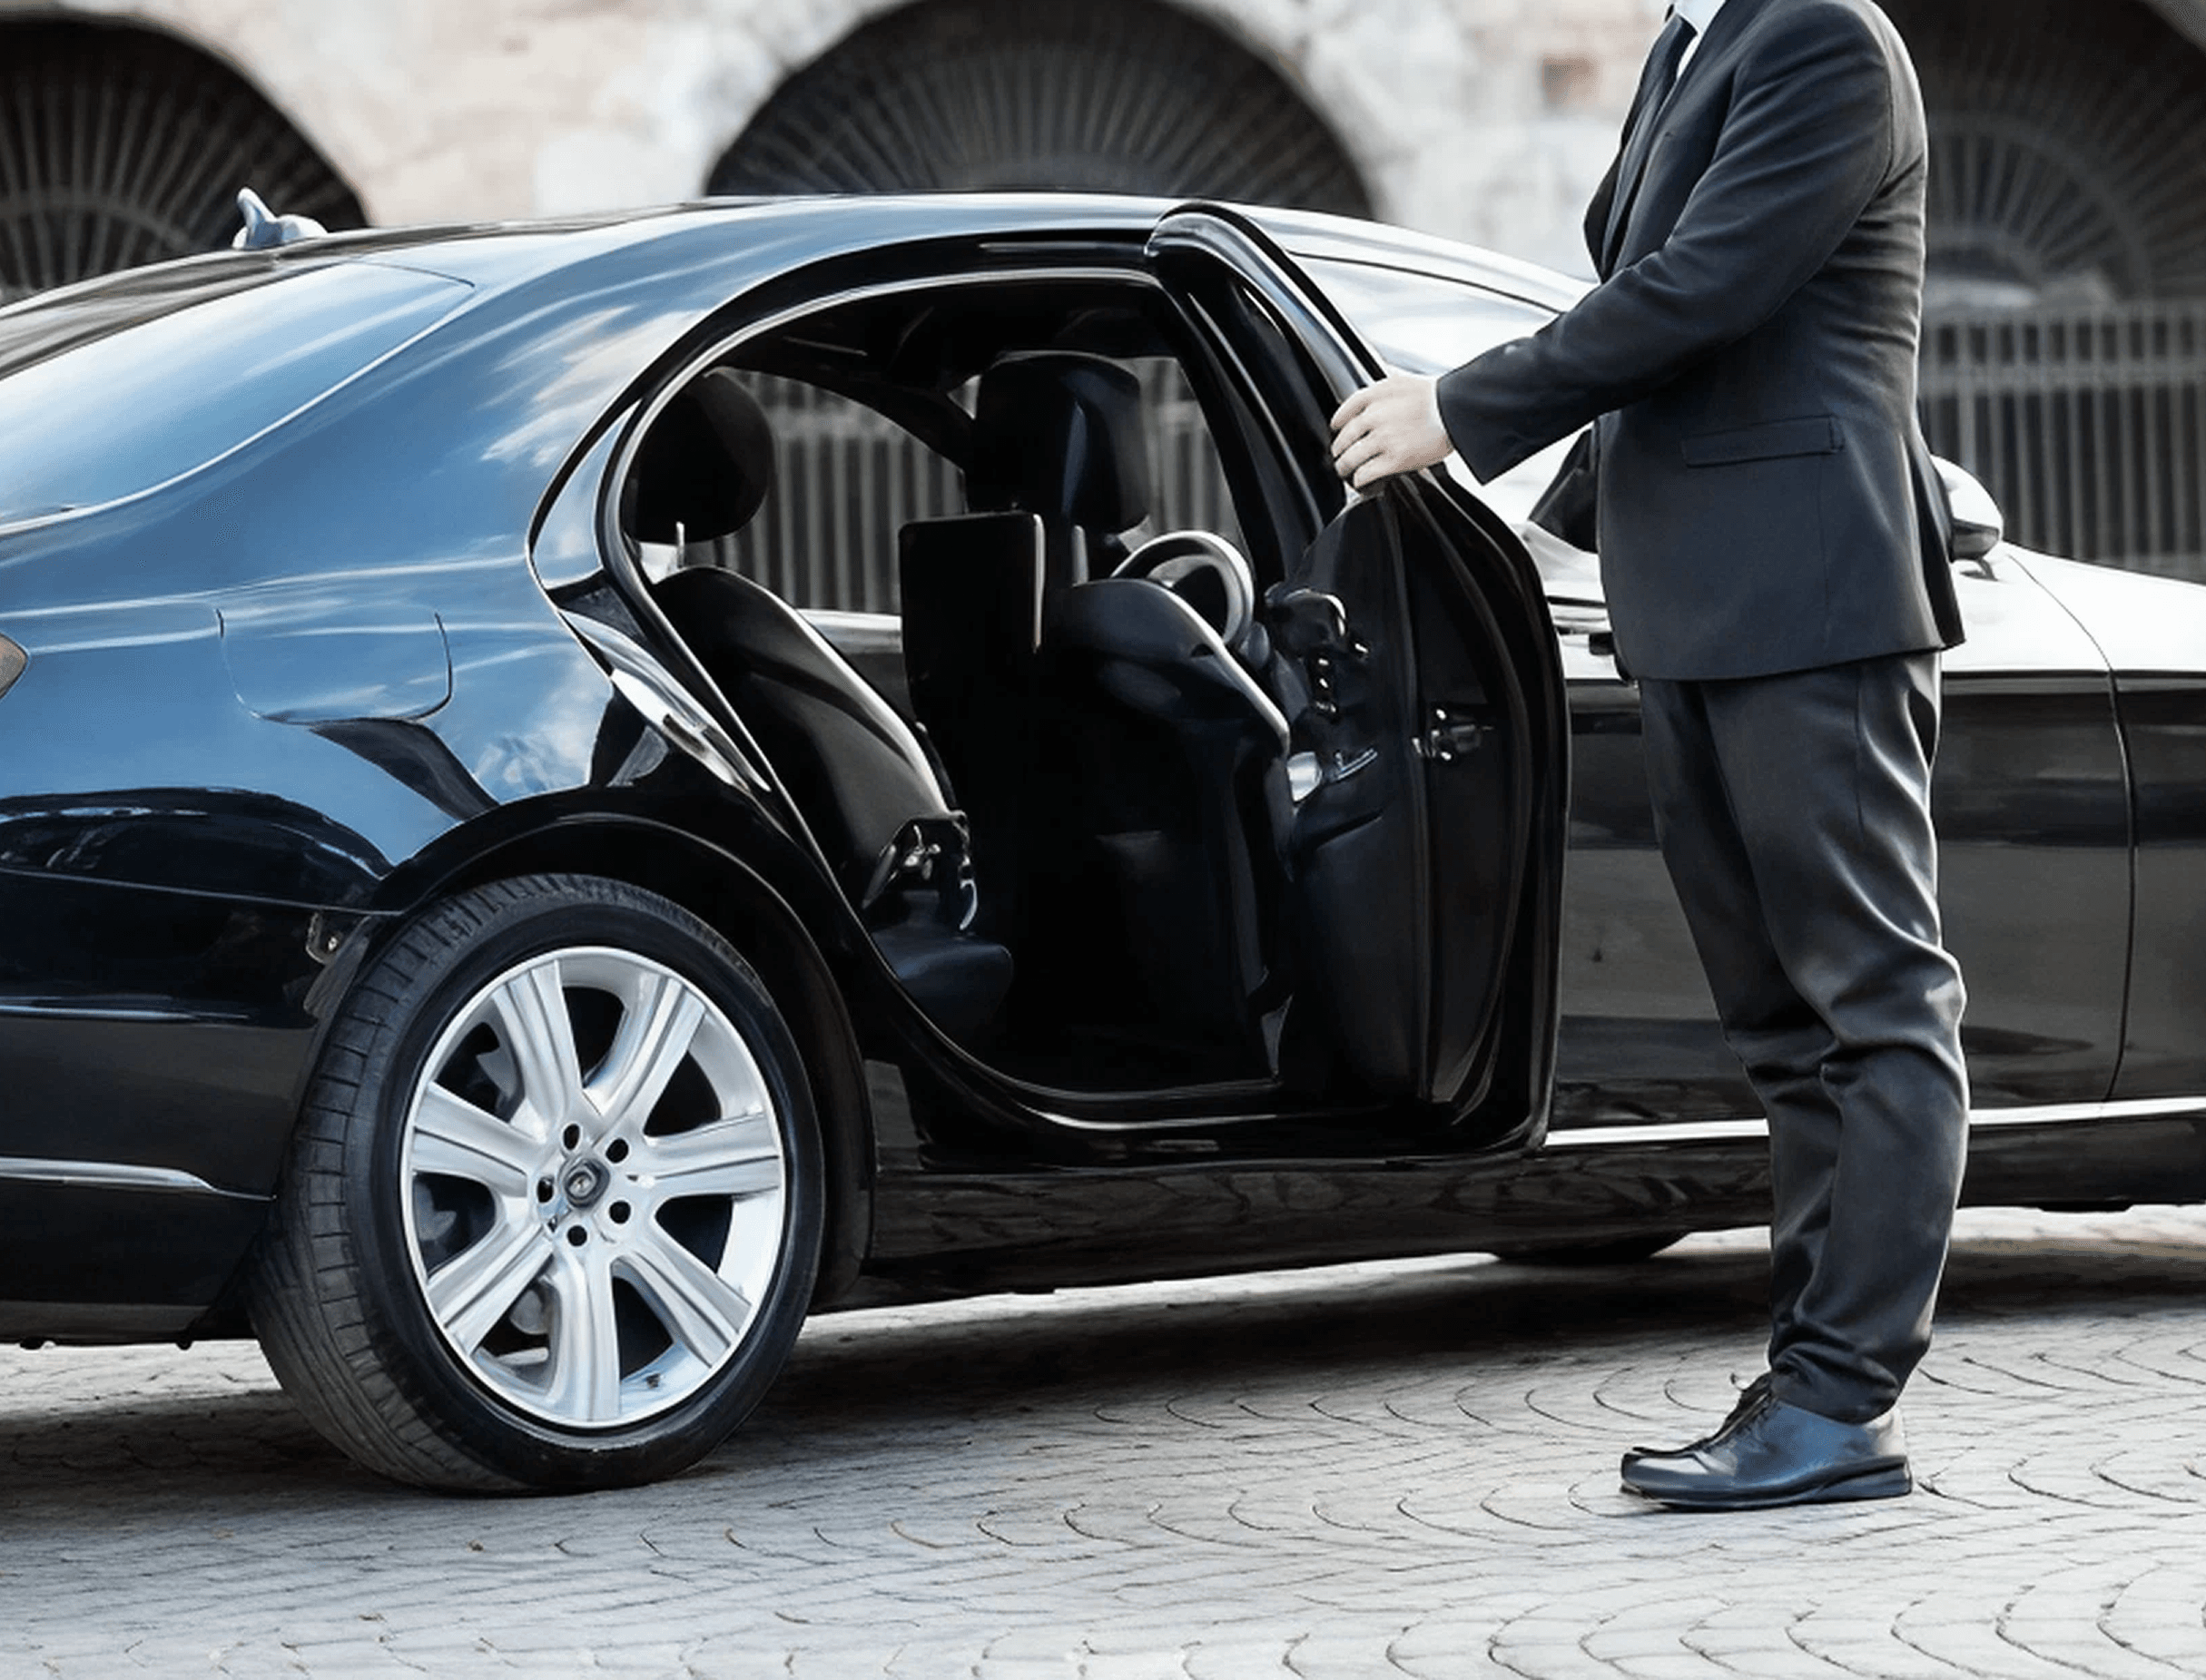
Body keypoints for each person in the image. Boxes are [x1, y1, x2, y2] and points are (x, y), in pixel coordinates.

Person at [1329, 0, 1970, 1511]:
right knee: (1781, 1028)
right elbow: (1651, 301)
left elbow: (1703, 288)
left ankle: (1843, 1401)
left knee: (1871, 1001)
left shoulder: (1820, 35)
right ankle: (1811, 1380)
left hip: (1811, 592)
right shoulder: (1697, 43)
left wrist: (1455, 409)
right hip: (1690, 604)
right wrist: (1528, 525)